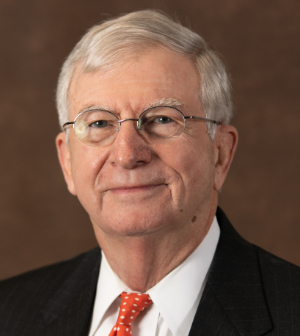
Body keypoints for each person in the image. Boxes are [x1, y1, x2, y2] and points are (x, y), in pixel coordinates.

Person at [0, 9, 299, 336]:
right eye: (99, 123)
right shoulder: (9, 312)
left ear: (220, 154)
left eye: (162, 119)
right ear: (67, 161)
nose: (128, 155)